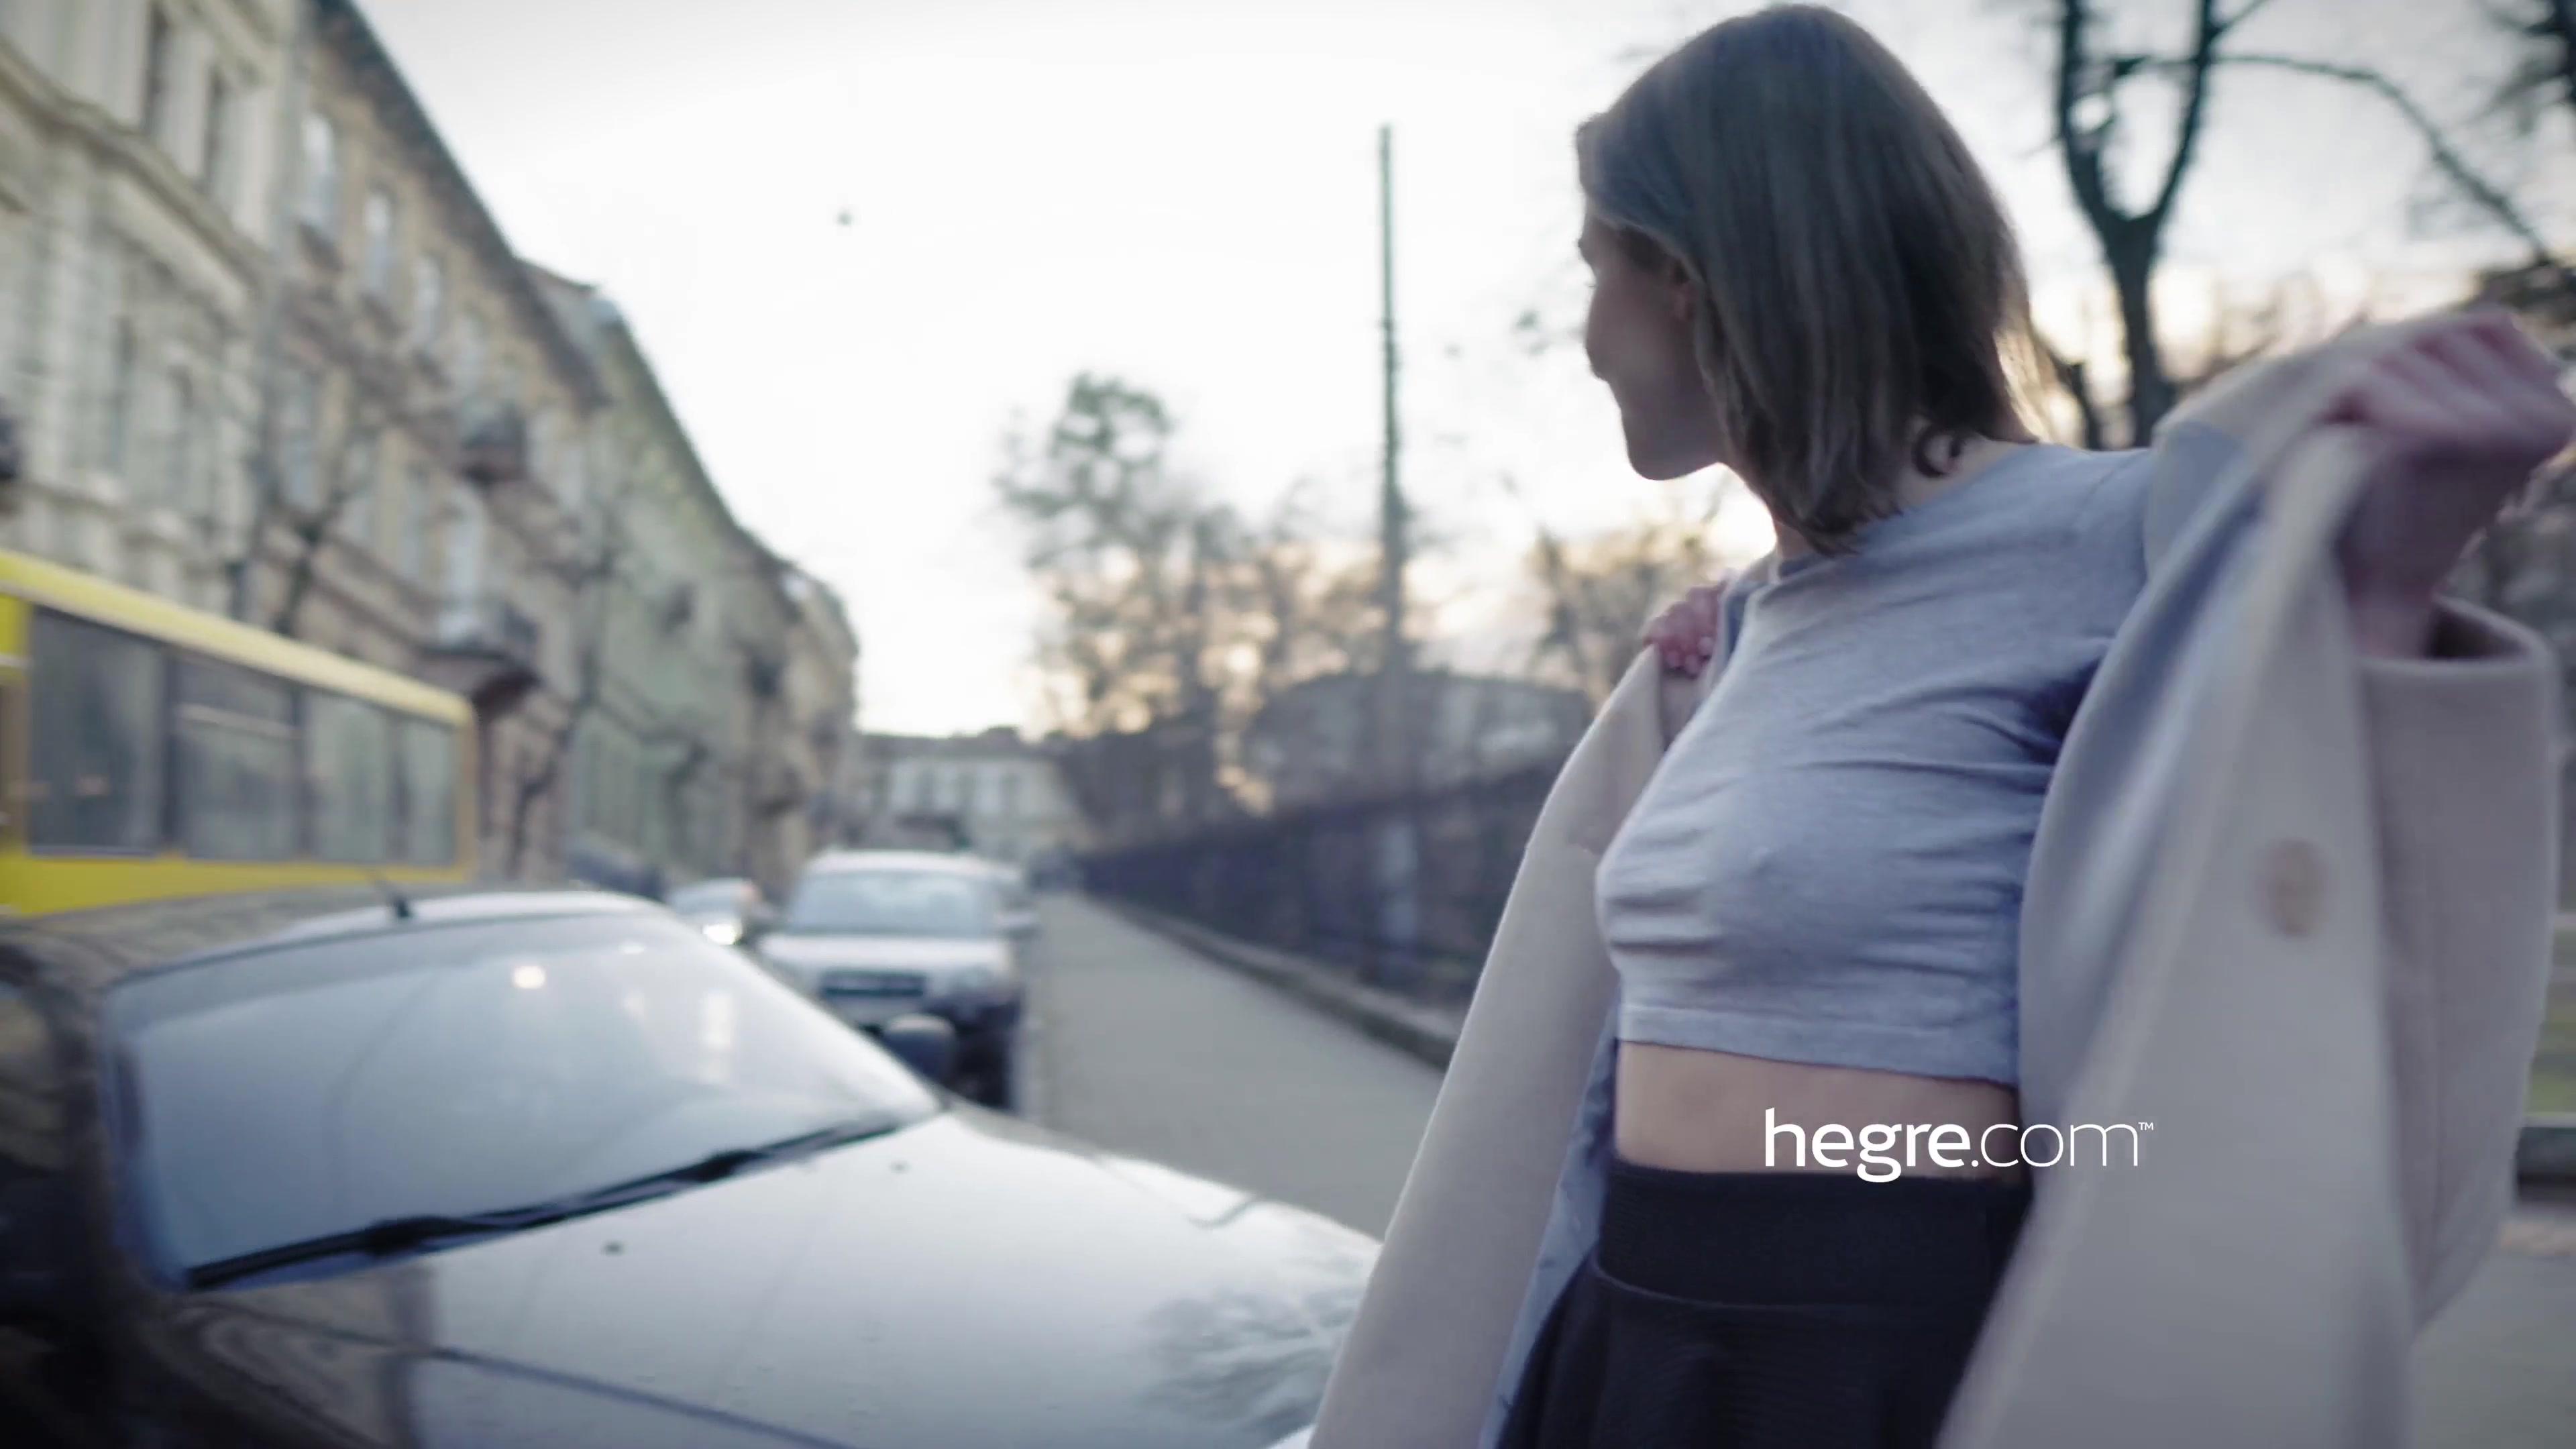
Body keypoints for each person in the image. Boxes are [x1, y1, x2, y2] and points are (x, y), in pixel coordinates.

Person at [1307, 7, 2576, 1449]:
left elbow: (2315, 935)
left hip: (1882, 1363)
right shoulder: (1738, 632)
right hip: (1628, 1344)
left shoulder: (2128, 542)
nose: (1591, 342)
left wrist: (2381, 599)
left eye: (1599, 272)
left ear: (1694, 279)